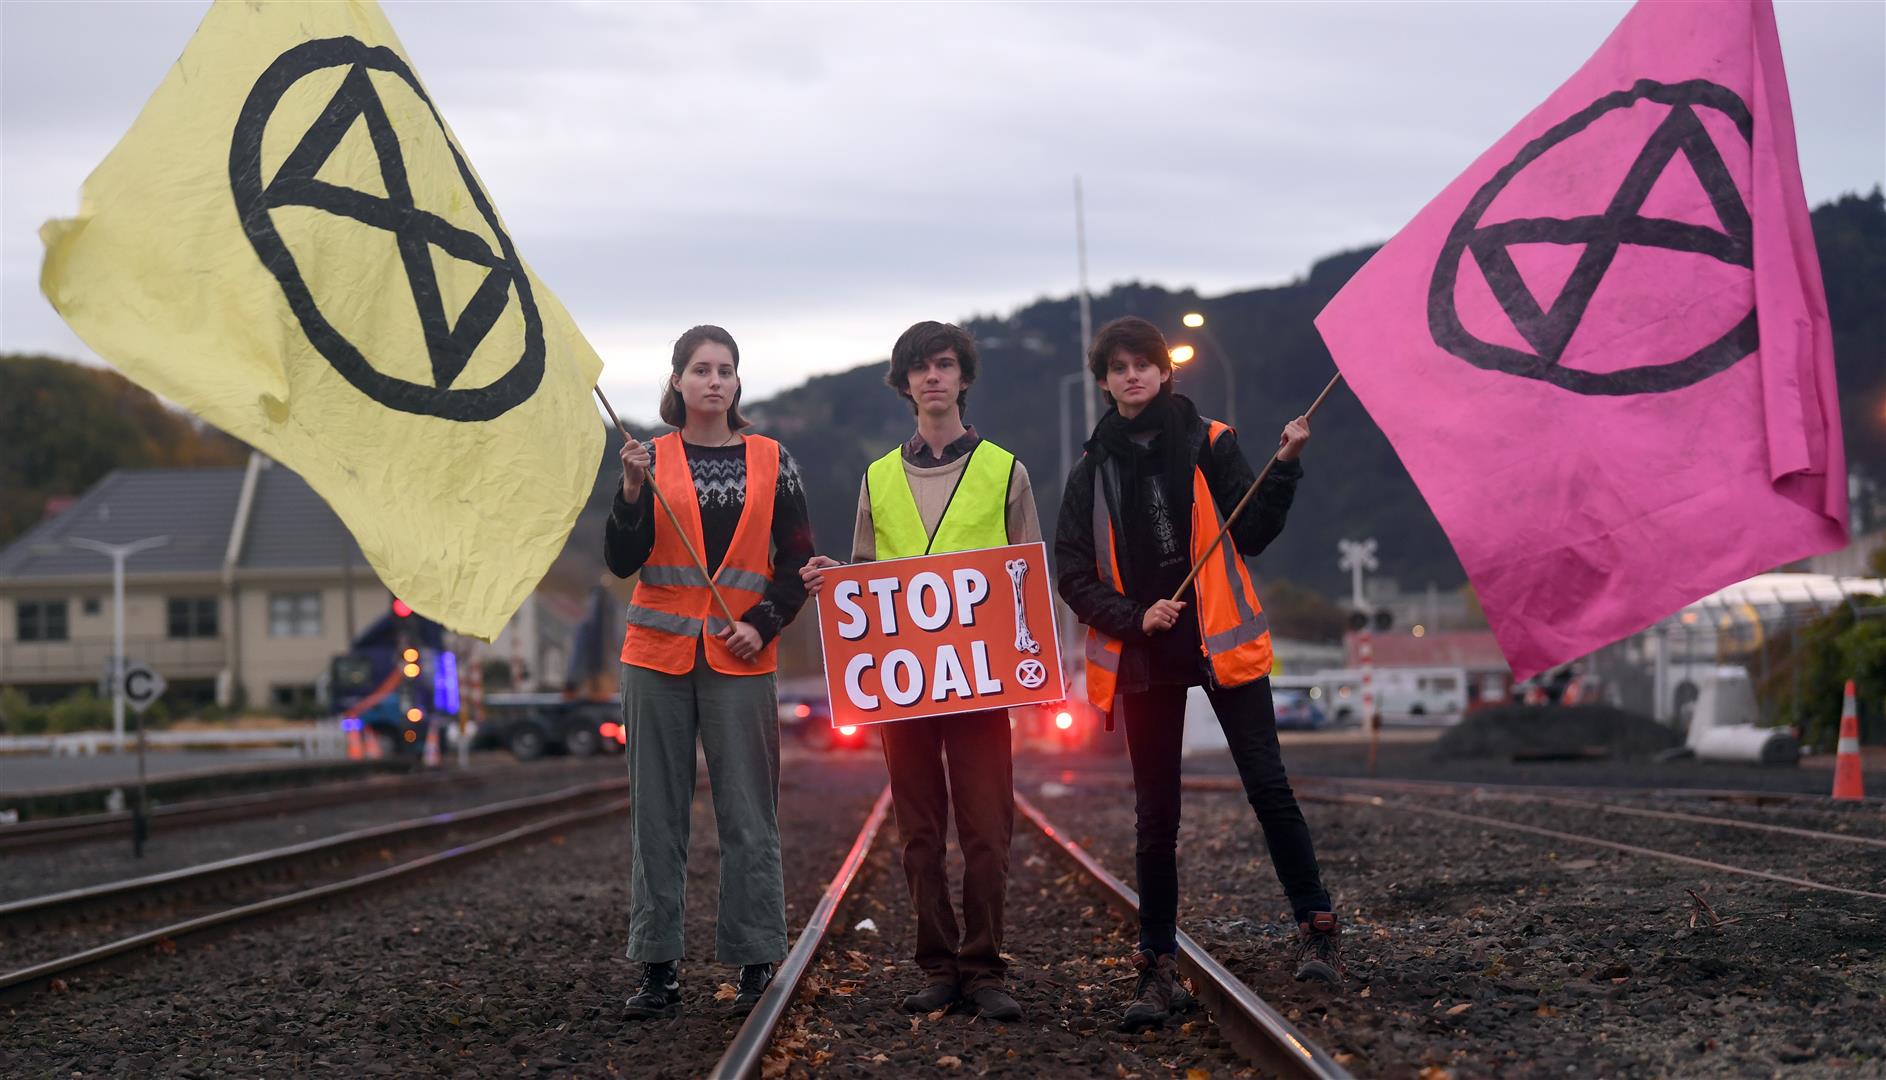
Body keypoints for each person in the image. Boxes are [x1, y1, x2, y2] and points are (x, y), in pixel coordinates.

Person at [1054, 316, 1341, 1033]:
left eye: (1142, 363)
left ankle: (1318, 929)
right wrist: (1129, 616)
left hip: (1221, 642)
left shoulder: (1212, 442)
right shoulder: (1091, 468)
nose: (1132, 376)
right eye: (1117, 367)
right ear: (1104, 381)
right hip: (1147, 657)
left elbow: (1253, 534)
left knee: (1268, 787)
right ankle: (1155, 968)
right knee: (1157, 818)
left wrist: (1287, 466)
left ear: (1164, 371)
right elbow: (1072, 574)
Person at [801, 321, 1039, 1022]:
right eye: (920, 368)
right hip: (903, 688)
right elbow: (869, 581)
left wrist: (1029, 672)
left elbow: (1025, 574)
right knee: (919, 836)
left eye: (944, 365)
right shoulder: (877, 477)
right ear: (904, 384)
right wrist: (838, 579)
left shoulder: (1006, 470)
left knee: (988, 831)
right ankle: (938, 966)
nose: (933, 377)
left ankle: (984, 967)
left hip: (981, 684)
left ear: (964, 378)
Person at [606, 325, 814, 1020]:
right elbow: (622, 558)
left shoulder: (773, 459)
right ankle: (658, 966)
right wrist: (632, 492)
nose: (714, 380)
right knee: (656, 818)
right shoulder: (647, 458)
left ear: (737, 383)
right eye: (700, 369)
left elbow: (797, 560)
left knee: (750, 815)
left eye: (725, 369)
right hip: (655, 658)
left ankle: (756, 960)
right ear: (677, 382)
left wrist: (763, 623)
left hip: (742, 654)